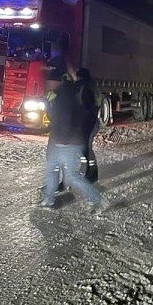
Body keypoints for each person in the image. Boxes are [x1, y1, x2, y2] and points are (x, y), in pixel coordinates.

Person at [41, 70, 107, 210]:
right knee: (52, 169)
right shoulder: (67, 94)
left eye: (51, 81)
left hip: (68, 141)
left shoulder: (65, 95)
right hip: (63, 139)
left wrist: (64, 138)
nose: (49, 84)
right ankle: (49, 199)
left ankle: (96, 198)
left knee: (71, 175)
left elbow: (66, 118)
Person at [74, 67, 101, 183]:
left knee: (87, 148)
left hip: (89, 122)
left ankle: (92, 173)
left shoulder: (86, 88)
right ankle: (88, 171)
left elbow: (86, 107)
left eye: (78, 77)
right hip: (89, 122)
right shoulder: (90, 86)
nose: (77, 80)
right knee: (84, 147)